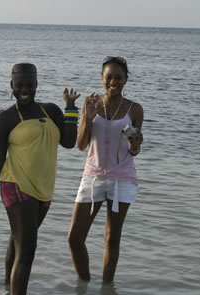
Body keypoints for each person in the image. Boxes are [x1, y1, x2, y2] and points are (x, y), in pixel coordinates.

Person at [0, 63, 79, 295]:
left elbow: (68, 142)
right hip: (15, 184)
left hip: (43, 189)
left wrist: (70, 108)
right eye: (19, 85)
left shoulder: (52, 111)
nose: (24, 89)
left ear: (37, 85)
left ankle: (9, 291)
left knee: (18, 243)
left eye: (29, 84)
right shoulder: (5, 118)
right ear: (11, 86)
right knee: (27, 252)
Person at [67, 56, 144, 283]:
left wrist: (134, 144)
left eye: (118, 77)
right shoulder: (91, 104)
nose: (113, 82)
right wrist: (89, 119)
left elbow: (134, 150)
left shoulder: (135, 109)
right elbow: (81, 145)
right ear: (102, 78)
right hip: (93, 176)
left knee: (112, 238)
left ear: (126, 79)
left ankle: (106, 290)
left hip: (123, 178)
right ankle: (84, 284)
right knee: (75, 238)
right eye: (109, 77)